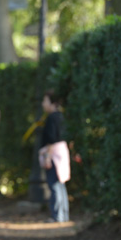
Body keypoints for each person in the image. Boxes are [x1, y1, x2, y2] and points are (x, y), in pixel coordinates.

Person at [38, 89, 70, 223]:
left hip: (54, 154)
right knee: (60, 185)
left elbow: (51, 139)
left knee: (54, 185)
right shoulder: (62, 116)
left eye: (45, 101)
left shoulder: (51, 118)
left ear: (53, 103)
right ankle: (63, 215)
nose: (43, 104)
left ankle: (57, 216)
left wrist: (47, 156)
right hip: (62, 153)